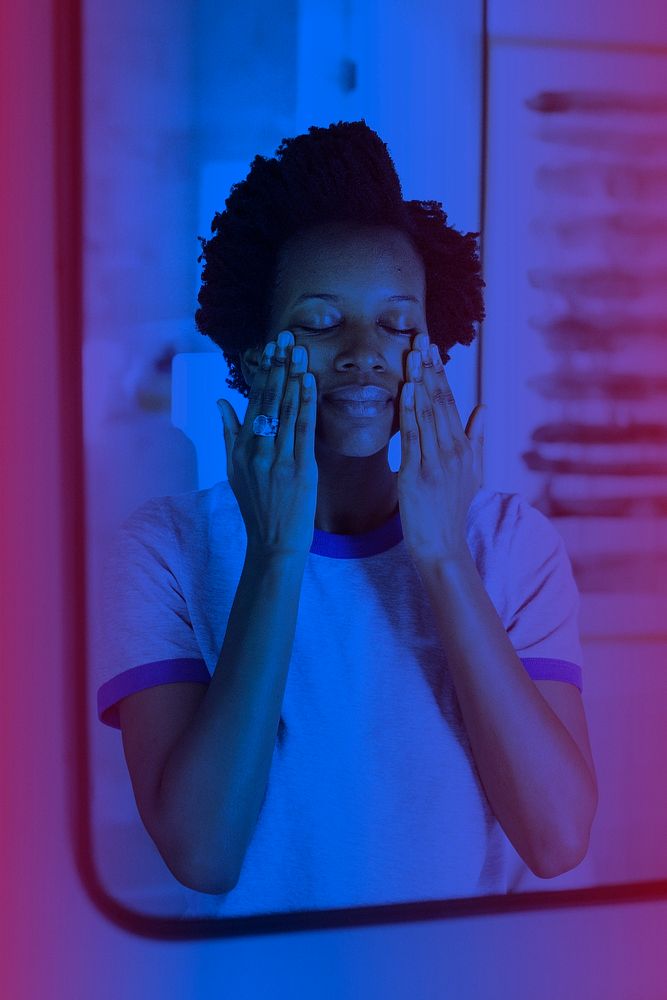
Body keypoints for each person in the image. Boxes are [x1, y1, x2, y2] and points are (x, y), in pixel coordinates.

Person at [96, 120, 597, 917]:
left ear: (430, 346)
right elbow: (203, 853)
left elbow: (556, 837)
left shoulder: (509, 544)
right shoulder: (162, 553)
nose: (365, 353)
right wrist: (275, 550)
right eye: (321, 321)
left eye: (398, 324)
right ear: (255, 351)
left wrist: (441, 557)